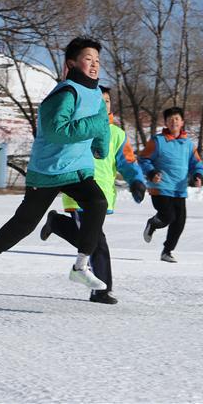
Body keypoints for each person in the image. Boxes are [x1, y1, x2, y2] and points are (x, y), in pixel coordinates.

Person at [0, 37, 111, 291]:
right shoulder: (64, 93)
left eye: (98, 61)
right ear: (72, 63)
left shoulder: (95, 94)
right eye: (88, 59)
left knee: (97, 203)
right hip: (48, 170)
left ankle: (80, 267)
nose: (94, 65)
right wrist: (97, 127)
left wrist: (101, 145)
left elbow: (101, 121)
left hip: (78, 168)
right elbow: (58, 130)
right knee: (25, 223)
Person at [39, 85, 146, 304]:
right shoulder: (80, 128)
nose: (103, 104)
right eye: (99, 101)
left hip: (103, 195)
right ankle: (101, 290)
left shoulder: (117, 134)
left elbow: (127, 162)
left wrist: (136, 180)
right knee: (97, 242)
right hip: (79, 191)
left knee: (89, 239)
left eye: (107, 101)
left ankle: (57, 223)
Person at [139, 107, 203, 263]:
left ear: (182, 122)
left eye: (177, 118)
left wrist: (197, 175)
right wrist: (151, 173)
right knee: (168, 216)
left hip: (179, 190)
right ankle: (153, 223)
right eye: (170, 119)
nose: (173, 121)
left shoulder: (188, 144)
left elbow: (197, 163)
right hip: (160, 188)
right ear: (166, 123)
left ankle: (167, 251)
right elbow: (143, 159)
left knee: (179, 222)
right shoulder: (158, 141)